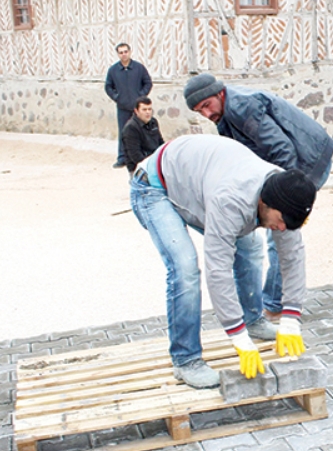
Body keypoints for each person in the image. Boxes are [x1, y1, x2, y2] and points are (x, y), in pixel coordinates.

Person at [130, 134, 317, 388]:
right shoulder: (231, 201)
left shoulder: (287, 194)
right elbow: (218, 269)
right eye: (281, 221)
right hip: (154, 186)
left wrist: (292, 315)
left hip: (197, 184)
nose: (282, 228)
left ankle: (253, 319)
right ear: (264, 202)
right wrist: (237, 337)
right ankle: (186, 359)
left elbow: (293, 257)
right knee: (185, 267)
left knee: (251, 248)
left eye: (289, 224)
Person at [184, 74, 333, 323]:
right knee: (275, 227)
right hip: (291, 162)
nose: (206, 114)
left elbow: (282, 149)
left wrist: (284, 199)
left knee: (280, 231)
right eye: (200, 111)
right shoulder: (224, 112)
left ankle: (276, 305)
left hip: (306, 160)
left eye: (207, 106)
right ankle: (274, 302)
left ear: (219, 94)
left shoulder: (242, 108)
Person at [105, 43, 152, 169]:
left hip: (138, 108)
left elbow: (147, 82)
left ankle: (143, 157)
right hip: (123, 107)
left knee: (142, 131)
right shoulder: (113, 70)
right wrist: (117, 97)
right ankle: (122, 158)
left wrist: (140, 97)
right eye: (121, 52)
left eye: (125, 51)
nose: (124, 54)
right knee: (123, 132)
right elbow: (108, 86)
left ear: (130, 52)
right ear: (118, 54)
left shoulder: (139, 68)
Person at [121, 96, 164, 173]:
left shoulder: (153, 122)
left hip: (155, 163)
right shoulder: (131, 128)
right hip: (139, 169)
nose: (148, 112)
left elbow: (160, 142)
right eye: (144, 109)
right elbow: (135, 156)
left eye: (149, 109)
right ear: (136, 111)